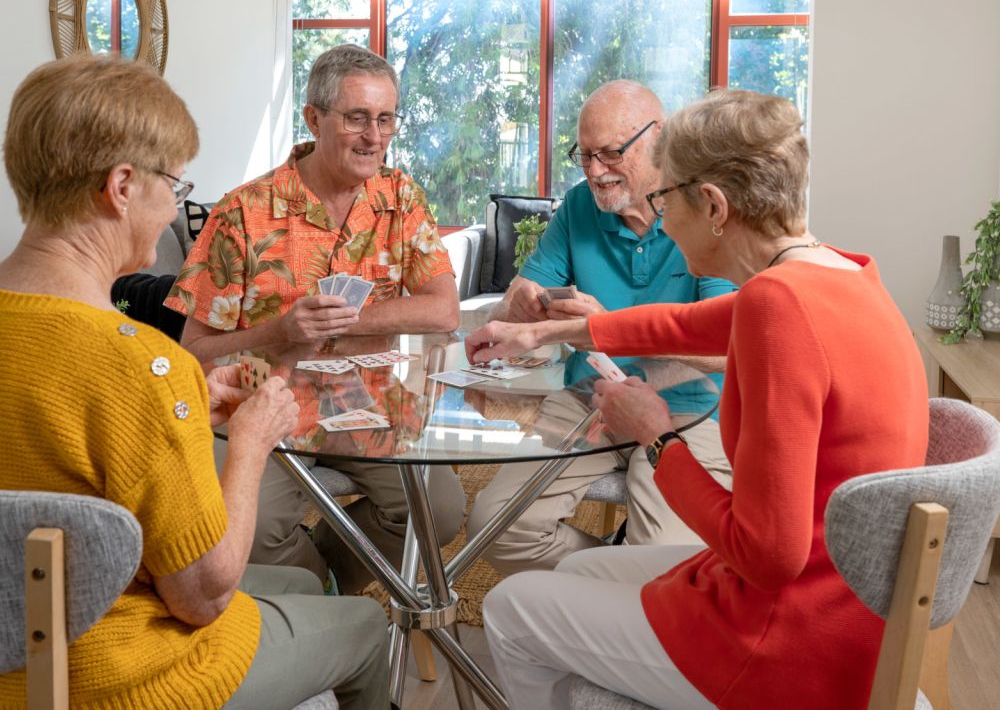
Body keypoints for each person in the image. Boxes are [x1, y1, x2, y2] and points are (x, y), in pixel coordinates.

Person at [466, 89, 929, 710]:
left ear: (712, 205)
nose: (660, 216)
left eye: (665, 197)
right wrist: (540, 333)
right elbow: (678, 326)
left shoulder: (780, 310)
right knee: (575, 573)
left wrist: (657, 438)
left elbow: (769, 557)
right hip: (823, 609)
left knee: (508, 608)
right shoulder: (834, 274)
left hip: (784, 639)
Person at [0, 55, 389, 710]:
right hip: (113, 675)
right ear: (122, 186)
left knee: (297, 587)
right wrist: (252, 441)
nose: (171, 209)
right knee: (369, 624)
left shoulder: (143, 376)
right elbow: (203, 595)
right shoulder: (144, 366)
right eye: (174, 186)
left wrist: (185, 404)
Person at [165, 44, 465, 593]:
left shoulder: (400, 197)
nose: (374, 136)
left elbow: (443, 310)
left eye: (385, 118)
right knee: (254, 531)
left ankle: (329, 588)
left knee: (440, 510)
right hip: (265, 408)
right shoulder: (242, 213)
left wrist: (344, 321)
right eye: (356, 118)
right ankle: (320, 593)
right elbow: (190, 354)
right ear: (313, 118)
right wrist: (281, 331)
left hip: (371, 405)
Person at [466, 80, 736, 572]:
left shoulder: (705, 209)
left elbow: (724, 347)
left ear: (659, 137)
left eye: (611, 153)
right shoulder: (578, 207)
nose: (594, 170)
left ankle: (629, 575)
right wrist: (519, 305)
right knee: (494, 528)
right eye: (584, 155)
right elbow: (512, 305)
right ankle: (615, 571)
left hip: (691, 408)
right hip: (590, 399)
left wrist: (611, 326)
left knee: (665, 563)